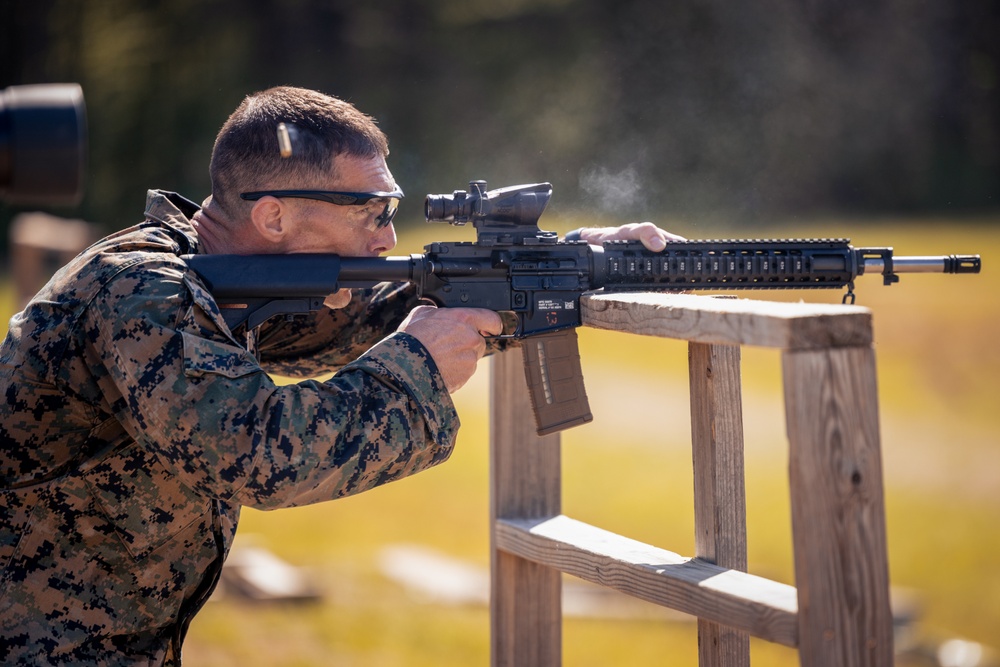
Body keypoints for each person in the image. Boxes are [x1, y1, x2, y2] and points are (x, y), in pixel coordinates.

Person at [0, 85, 680, 665]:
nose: (388, 236)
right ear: (273, 216)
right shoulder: (141, 291)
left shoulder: (217, 286)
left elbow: (353, 318)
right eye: (372, 212)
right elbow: (258, 452)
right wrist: (414, 366)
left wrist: (561, 263)